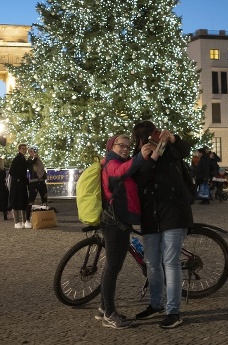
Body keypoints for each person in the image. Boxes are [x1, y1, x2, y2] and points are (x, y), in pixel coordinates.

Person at [133, 121, 194, 329]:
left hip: (173, 212)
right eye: (146, 137)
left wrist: (173, 139)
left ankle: (173, 311)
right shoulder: (139, 157)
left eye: (154, 134)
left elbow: (185, 150)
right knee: (151, 263)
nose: (152, 139)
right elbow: (139, 181)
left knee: (170, 262)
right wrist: (149, 158)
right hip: (150, 216)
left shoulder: (170, 151)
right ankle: (155, 304)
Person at [99, 134, 150, 330]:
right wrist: (139, 157)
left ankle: (103, 307)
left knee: (112, 267)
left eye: (128, 147)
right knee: (113, 268)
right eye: (122, 145)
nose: (126, 149)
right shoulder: (112, 162)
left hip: (119, 222)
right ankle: (110, 314)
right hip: (114, 224)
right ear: (112, 146)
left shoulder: (121, 161)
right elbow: (118, 173)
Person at [8, 143, 31, 228]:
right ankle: (17, 222)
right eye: (22, 149)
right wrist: (18, 179)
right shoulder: (17, 159)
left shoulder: (23, 158)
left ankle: (24, 221)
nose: (24, 150)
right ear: (19, 149)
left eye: (25, 148)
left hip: (22, 183)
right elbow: (11, 171)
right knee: (16, 202)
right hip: (17, 185)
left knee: (23, 202)